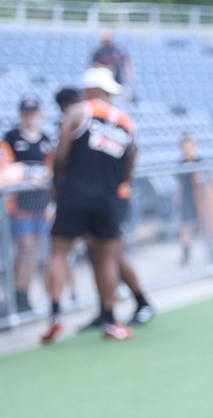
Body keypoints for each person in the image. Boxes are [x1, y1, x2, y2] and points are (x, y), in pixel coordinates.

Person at [43, 68, 149, 342]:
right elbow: (129, 167)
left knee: (58, 252)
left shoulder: (77, 113)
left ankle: (55, 315)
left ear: (87, 90)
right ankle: (110, 320)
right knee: (107, 257)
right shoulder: (127, 122)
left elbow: (60, 155)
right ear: (101, 91)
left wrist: (57, 185)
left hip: (74, 193)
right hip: (108, 198)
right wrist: (112, 186)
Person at [5, 97, 54, 315]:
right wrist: (27, 175)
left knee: (34, 249)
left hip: (40, 203)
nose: (30, 116)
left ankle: (22, 294)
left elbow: (50, 167)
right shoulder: (11, 138)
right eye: (26, 112)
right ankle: (19, 294)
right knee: (26, 248)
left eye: (33, 112)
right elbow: (5, 168)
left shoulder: (45, 139)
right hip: (19, 203)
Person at [175, 133, 213, 268]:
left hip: (200, 199)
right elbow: (180, 185)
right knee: (186, 228)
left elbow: (211, 178)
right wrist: (177, 198)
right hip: (187, 199)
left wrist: (201, 178)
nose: (187, 150)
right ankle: (186, 255)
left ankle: (212, 252)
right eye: (185, 148)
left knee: (206, 226)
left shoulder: (201, 162)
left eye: (189, 147)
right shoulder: (181, 165)